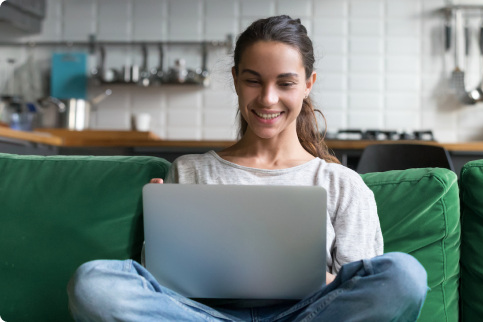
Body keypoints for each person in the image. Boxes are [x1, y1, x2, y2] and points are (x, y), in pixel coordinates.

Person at [67, 15, 428, 322]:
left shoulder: (341, 183)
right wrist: (158, 233)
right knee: (93, 282)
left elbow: (362, 288)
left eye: (285, 83)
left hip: (307, 314)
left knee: (405, 275)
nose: (267, 98)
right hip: (203, 314)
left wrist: (319, 278)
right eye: (253, 80)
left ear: (308, 85)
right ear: (237, 80)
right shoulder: (190, 171)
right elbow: (164, 287)